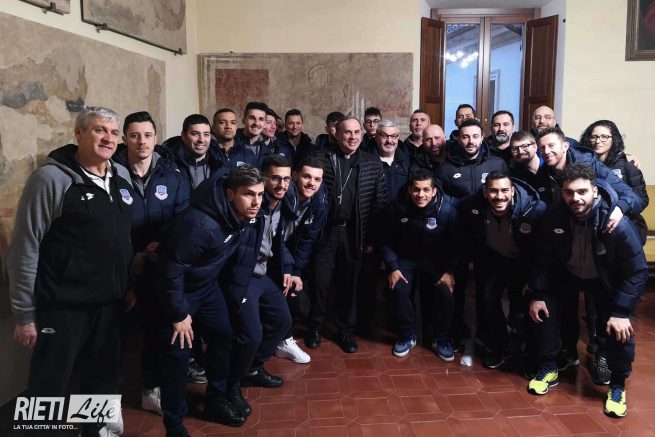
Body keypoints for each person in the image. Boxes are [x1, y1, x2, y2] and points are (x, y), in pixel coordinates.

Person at [8, 106, 133, 436]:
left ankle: (93, 431)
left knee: (100, 378)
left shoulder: (120, 175)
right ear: (79, 133)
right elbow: (25, 247)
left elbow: (120, 240)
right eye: (99, 130)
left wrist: (127, 285)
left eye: (113, 132)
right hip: (63, 306)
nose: (108, 138)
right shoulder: (51, 179)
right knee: (48, 386)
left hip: (109, 303)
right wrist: (24, 314)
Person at [526, 163, 647, 419]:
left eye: (582, 192)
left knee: (619, 328)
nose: (576, 198)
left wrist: (621, 311)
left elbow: (637, 271)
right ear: (562, 192)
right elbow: (541, 258)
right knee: (543, 310)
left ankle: (617, 385)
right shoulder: (554, 216)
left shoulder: (617, 223)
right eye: (569, 192)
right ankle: (549, 366)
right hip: (568, 274)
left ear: (594, 191)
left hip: (604, 280)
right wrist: (538, 294)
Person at [157, 166, 266, 435]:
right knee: (178, 358)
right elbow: (170, 271)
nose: (256, 202)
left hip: (207, 288)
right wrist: (178, 314)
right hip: (179, 294)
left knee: (223, 336)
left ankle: (216, 399)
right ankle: (174, 425)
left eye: (260, 194)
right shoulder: (201, 224)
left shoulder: (242, 216)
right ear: (230, 194)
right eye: (248, 194)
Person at [113, 111, 191, 416]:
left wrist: (155, 247)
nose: (142, 142)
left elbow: (181, 218)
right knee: (112, 341)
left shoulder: (173, 174)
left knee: (156, 333)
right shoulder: (110, 174)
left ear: (156, 138)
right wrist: (132, 257)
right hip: (121, 268)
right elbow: (109, 225)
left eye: (147, 135)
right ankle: (106, 407)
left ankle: (150, 389)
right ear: (125, 139)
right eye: (134, 135)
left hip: (159, 265)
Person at [304, 116, 386, 353]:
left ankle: (345, 331)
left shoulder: (372, 164)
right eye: (347, 132)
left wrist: (372, 238)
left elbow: (379, 205)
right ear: (337, 134)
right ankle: (315, 328)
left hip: (354, 234)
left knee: (349, 285)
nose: (353, 137)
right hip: (325, 233)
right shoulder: (321, 159)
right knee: (319, 283)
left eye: (357, 132)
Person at [224, 155, 296, 419]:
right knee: (250, 335)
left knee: (282, 320)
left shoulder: (281, 205)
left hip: (263, 273)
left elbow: (276, 243)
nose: (281, 184)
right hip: (242, 276)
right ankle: (230, 386)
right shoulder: (251, 205)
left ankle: (252, 368)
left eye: (286, 179)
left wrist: (288, 268)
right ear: (263, 179)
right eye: (275, 178)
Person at [456, 171, 546, 369]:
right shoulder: (472, 205)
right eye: (493, 191)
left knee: (522, 306)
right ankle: (499, 347)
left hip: (524, 262)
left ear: (512, 191)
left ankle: (527, 350)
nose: (499, 196)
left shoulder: (534, 209)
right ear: (485, 192)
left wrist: (535, 278)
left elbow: (542, 250)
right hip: (494, 258)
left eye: (504, 190)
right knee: (488, 301)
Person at [436, 118, 508, 351]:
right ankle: (454, 333)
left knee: (487, 291)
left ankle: (486, 335)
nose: (470, 141)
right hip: (457, 237)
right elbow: (439, 200)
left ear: (482, 137)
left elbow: (506, 194)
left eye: (475, 136)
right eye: (465, 136)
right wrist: (466, 205)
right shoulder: (446, 168)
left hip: (489, 237)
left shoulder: (497, 163)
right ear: (458, 138)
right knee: (455, 289)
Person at [379, 170, 457, 360]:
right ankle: (407, 334)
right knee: (398, 288)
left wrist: (450, 271)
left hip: (436, 260)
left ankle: (441, 338)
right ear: (409, 190)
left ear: (434, 191)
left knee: (445, 292)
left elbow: (457, 244)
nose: (420, 195)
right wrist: (393, 267)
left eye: (426, 190)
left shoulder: (447, 210)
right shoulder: (397, 207)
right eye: (416, 189)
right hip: (406, 258)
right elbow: (385, 239)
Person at [358, 119, 410, 336]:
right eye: (384, 136)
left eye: (394, 136)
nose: (389, 140)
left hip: (399, 234)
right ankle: (363, 325)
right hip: (371, 231)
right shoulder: (365, 160)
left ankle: (396, 322)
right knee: (367, 281)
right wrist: (369, 237)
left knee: (397, 280)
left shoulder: (406, 161)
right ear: (376, 137)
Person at [274, 156, 328, 364]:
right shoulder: (281, 195)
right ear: (295, 176)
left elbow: (308, 240)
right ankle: (277, 339)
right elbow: (274, 237)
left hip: (288, 254)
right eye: (307, 177)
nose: (311, 183)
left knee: (299, 303)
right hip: (267, 252)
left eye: (317, 179)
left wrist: (296, 272)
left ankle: (282, 339)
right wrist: (287, 268)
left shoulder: (320, 201)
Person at [579, 120, 648, 243]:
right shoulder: (584, 163)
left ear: (613, 139)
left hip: (625, 224)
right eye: (594, 137)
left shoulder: (628, 164)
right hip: (593, 227)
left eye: (604, 137)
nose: (598, 141)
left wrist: (620, 209)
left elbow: (642, 200)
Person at [163, 114, 224, 189]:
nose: (201, 140)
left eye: (206, 134)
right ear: (183, 136)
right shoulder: (167, 164)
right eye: (195, 134)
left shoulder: (220, 164)